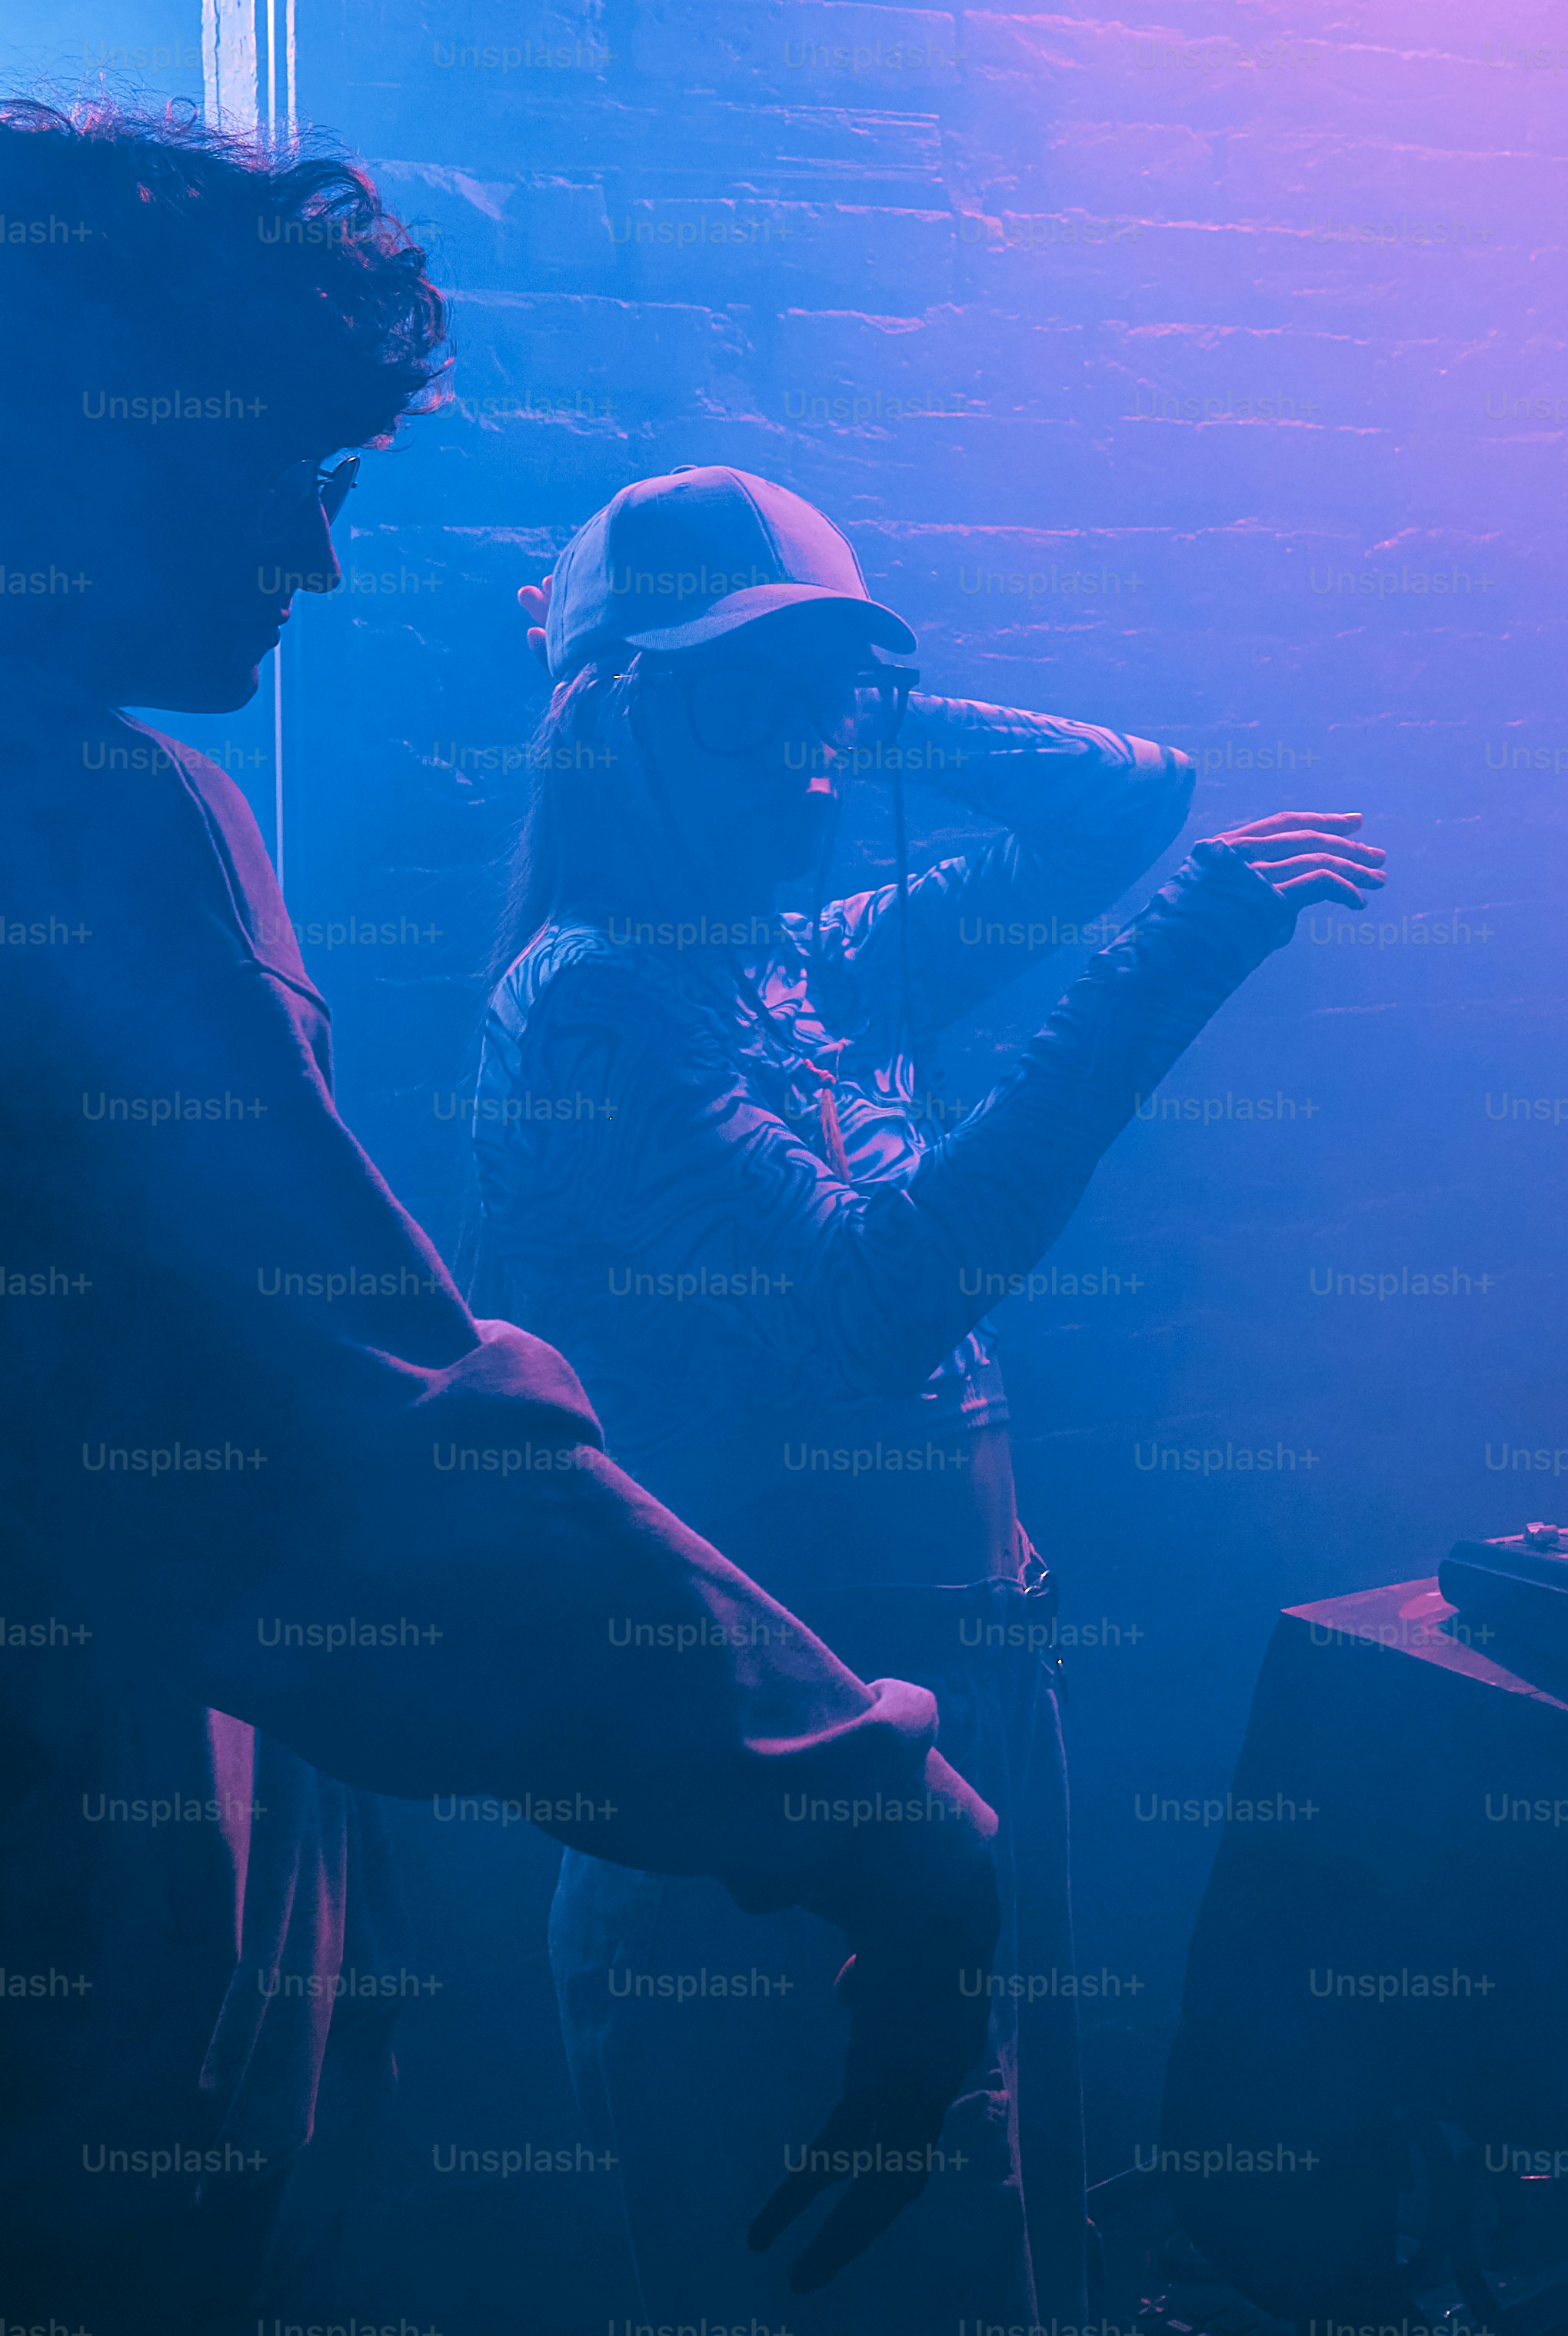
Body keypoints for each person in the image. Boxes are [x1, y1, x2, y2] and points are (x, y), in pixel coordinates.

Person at [0, 104, 997, 2332]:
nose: (318, 562)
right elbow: (371, 1452)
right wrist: (879, 1810)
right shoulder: (86, 826)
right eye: (281, 468)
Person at [461, 467, 1383, 2330]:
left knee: (990, 2251)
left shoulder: (807, 958)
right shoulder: (594, 1007)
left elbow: (1127, 793)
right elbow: (873, 1307)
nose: (813, 762)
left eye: (834, 713)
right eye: (751, 704)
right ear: (615, 717)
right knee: (819, 2271)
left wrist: (835, 694)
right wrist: (1157, 973)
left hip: (955, 1704)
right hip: (764, 1754)